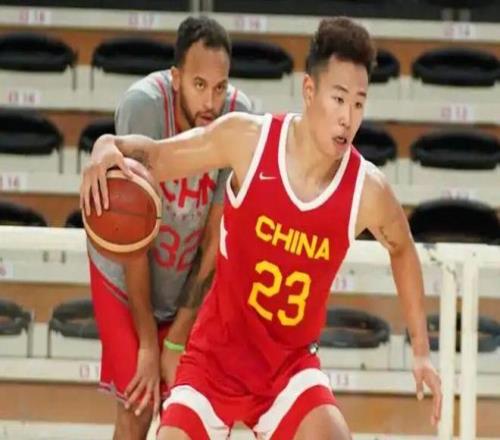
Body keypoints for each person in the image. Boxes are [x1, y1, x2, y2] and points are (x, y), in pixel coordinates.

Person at [82, 17, 442, 440]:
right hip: (213, 361)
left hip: (287, 370)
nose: (348, 117)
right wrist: (107, 145)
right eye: (338, 99)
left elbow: (402, 247)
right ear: (309, 91)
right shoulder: (249, 140)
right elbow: (158, 158)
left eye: (359, 104)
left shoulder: (367, 190)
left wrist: (421, 351)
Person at [80, 16, 252, 440]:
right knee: (138, 406)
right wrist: (147, 342)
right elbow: (133, 238)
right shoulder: (143, 106)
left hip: (187, 274)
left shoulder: (238, 118)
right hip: (124, 271)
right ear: (176, 78)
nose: (210, 100)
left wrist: (176, 339)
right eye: (199, 85)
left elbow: (215, 240)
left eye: (220, 87)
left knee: (189, 413)